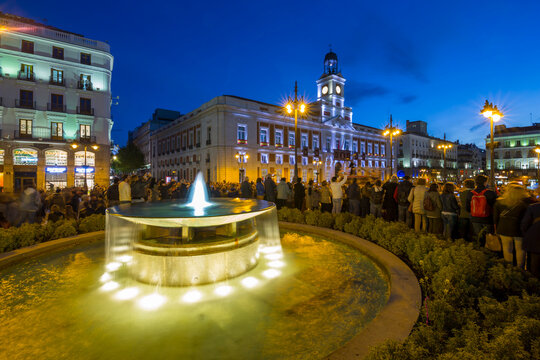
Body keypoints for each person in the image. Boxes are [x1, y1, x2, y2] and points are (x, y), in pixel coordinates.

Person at [494, 183, 529, 269]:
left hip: (503, 228)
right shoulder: (524, 204)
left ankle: (509, 268)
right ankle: (520, 269)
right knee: (520, 250)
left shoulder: (500, 202)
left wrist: (496, 229)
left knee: (507, 249)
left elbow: (495, 218)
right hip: (518, 230)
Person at [466, 175, 497, 244]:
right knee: (489, 239)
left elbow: (468, 208)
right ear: (485, 182)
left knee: (479, 238)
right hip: (487, 219)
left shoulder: (470, 193)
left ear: (476, 183)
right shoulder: (490, 193)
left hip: (475, 219)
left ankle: (480, 251)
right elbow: (495, 207)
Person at [521, 200, 540, 277]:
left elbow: (524, 225)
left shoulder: (533, 207)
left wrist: (527, 235)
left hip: (535, 239)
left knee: (533, 265)